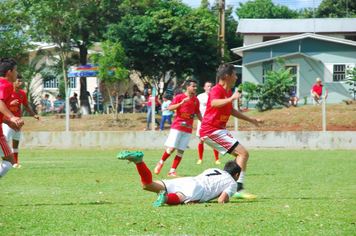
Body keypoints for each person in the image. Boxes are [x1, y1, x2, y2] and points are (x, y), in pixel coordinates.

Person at [200, 64, 264, 199]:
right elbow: (214, 103)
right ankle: (238, 188)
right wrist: (231, 99)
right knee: (243, 153)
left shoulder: (228, 92)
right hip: (211, 130)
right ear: (228, 76)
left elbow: (230, 110)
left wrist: (250, 119)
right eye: (235, 74)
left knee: (240, 156)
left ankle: (225, 186)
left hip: (218, 130)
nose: (236, 77)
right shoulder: (216, 90)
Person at [117, 151, 241, 207]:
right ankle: (165, 198)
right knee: (182, 197)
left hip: (189, 180)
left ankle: (139, 162)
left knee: (148, 185)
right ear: (236, 175)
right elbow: (221, 200)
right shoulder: (232, 182)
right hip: (199, 190)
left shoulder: (214, 169)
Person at [154, 78, 202, 177]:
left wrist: (205, 123)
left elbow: (198, 113)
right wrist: (181, 103)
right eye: (193, 86)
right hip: (177, 127)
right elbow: (170, 108)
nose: (195, 88)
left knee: (181, 150)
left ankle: (172, 171)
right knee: (172, 149)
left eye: (196, 86)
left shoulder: (196, 100)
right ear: (187, 87)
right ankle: (161, 162)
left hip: (188, 129)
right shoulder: (179, 97)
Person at [3, 74, 40, 168]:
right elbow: (2, 105)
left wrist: (34, 114)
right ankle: (5, 161)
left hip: (18, 122)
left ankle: (15, 163)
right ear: (14, 82)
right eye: (18, 81)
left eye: (21, 81)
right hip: (7, 121)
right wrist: (10, 103)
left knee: (16, 141)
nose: (20, 83)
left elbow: (26, 105)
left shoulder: (22, 93)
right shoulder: (7, 91)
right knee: (5, 142)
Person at [0, 58, 24, 180]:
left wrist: (8, 122)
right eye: (15, 70)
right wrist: (13, 117)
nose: (17, 73)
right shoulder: (6, 85)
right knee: (9, 160)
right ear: (9, 72)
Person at [196, 81, 221, 165]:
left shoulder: (215, 96)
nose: (209, 87)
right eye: (208, 86)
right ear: (204, 88)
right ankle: (200, 159)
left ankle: (216, 159)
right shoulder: (200, 96)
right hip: (202, 120)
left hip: (212, 121)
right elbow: (196, 108)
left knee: (215, 139)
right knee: (201, 139)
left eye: (211, 86)